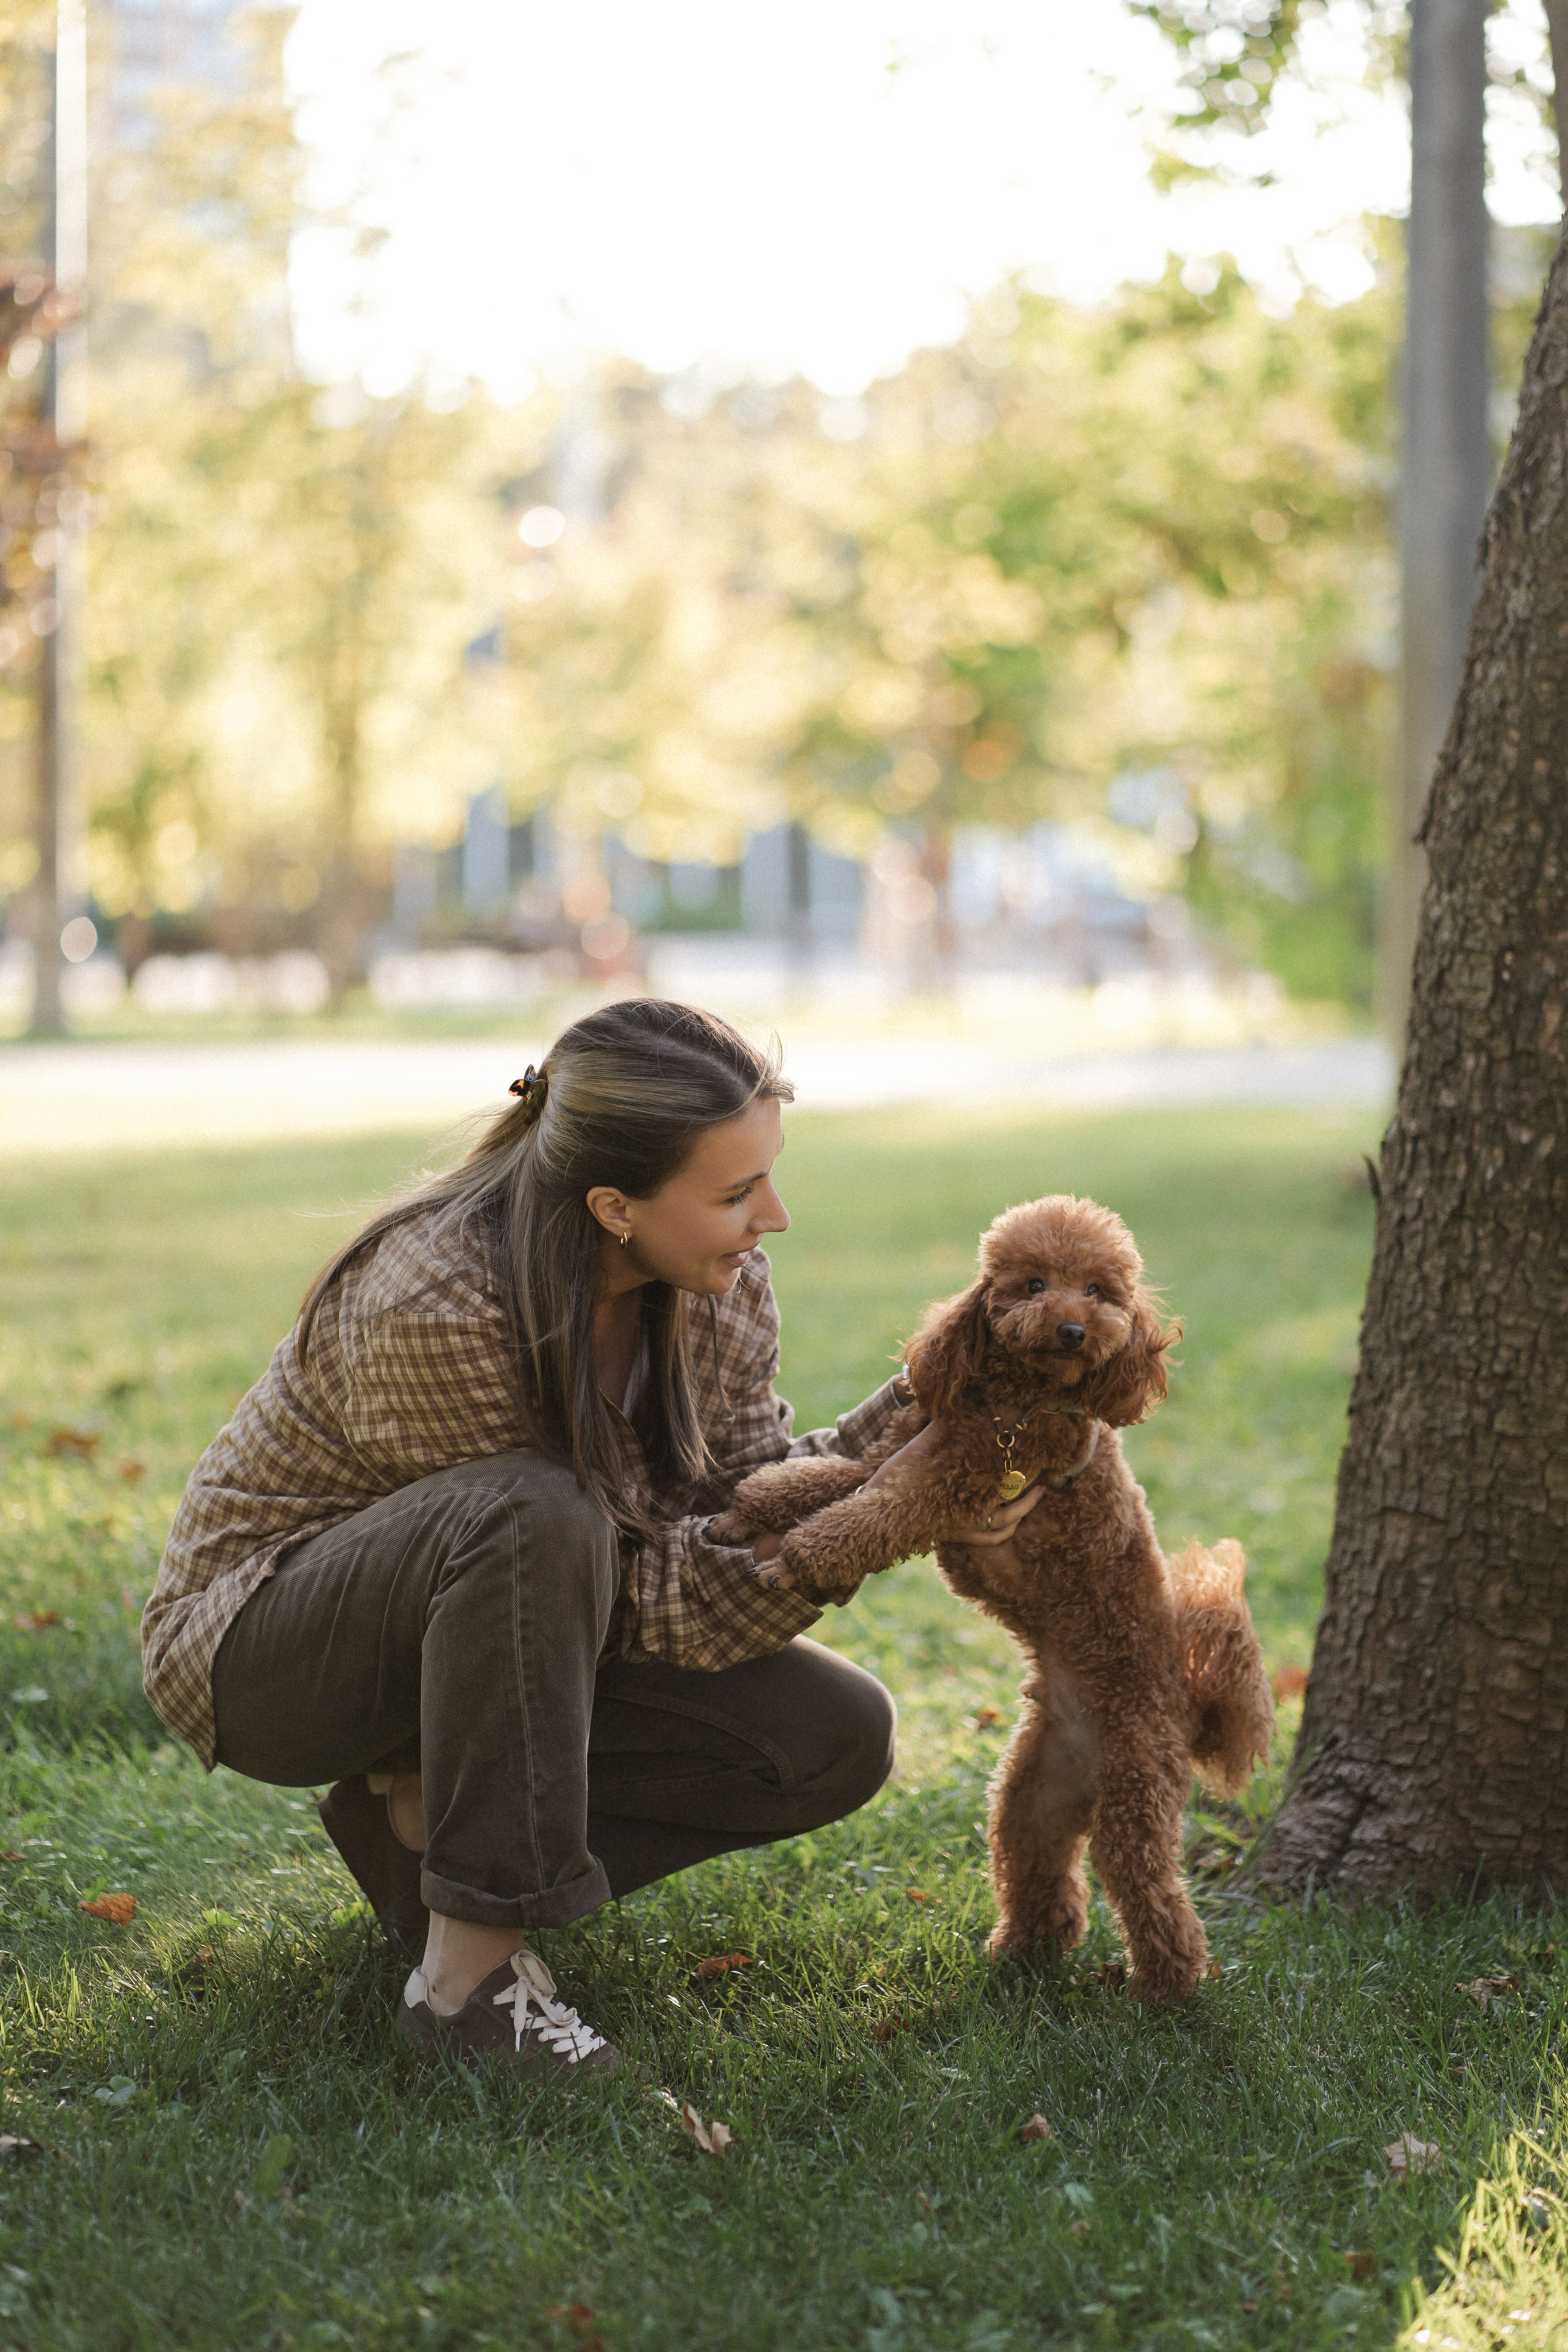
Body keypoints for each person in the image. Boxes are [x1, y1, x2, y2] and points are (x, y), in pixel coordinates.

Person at [141, 1000, 1039, 2078]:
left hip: (507, 1624)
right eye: (735, 1191)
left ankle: (418, 1844)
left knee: (832, 1736)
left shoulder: (716, 1280)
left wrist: (926, 1431)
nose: (775, 1217)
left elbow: (736, 1489)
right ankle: (467, 1990)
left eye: (767, 1175)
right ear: (614, 1204)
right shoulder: (436, 1301)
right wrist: (862, 1532)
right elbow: (617, 1594)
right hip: (267, 1652)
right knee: (537, 1512)